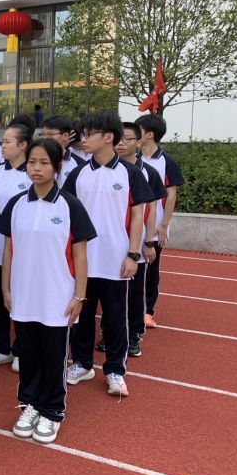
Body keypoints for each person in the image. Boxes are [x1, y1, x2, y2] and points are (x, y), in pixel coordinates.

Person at [0, 139, 96, 444]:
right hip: (24, 294)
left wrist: (79, 296)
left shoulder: (70, 205)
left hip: (57, 296)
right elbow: (8, 249)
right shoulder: (17, 204)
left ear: (57, 166)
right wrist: (5, 287)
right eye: (31, 162)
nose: (36, 168)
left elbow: (80, 254)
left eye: (43, 163)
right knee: (28, 353)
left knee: (53, 356)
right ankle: (29, 404)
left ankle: (52, 410)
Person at [63, 111, 154, 398]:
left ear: (108, 137)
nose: (83, 139)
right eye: (83, 134)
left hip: (115, 260)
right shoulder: (77, 174)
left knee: (115, 319)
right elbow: (67, 215)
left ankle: (115, 369)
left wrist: (133, 255)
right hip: (83, 261)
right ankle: (82, 364)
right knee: (81, 316)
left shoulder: (130, 173)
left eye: (89, 134)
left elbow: (138, 217)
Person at [108, 122, 166, 357]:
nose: (122, 143)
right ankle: (110, 334)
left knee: (134, 293)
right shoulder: (108, 170)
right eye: (119, 138)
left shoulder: (148, 172)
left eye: (128, 139)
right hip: (113, 243)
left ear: (139, 142)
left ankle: (133, 335)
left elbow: (151, 210)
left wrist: (149, 241)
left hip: (136, 243)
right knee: (112, 294)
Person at [0, 118, 33, 371]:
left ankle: (22, 350)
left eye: (8, 142)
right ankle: (0, 348)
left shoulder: (32, 174)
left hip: (21, 250)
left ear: (23, 145)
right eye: (2, 142)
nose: (2, 146)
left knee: (21, 299)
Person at [135, 114, 185, 329]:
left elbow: (171, 196)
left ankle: (148, 311)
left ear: (149, 134)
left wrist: (164, 225)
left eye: (137, 130)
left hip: (154, 226)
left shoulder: (167, 162)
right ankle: (131, 308)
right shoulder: (132, 158)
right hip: (132, 224)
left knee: (151, 270)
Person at [40, 116, 85, 184]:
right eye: (42, 134)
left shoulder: (79, 164)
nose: (44, 138)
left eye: (50, 134)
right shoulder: (35, 160)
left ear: (65, 136)